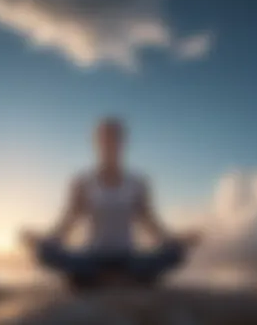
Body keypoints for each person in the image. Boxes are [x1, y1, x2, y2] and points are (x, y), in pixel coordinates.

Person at [22, 117, 201, 288]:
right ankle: (119, 279)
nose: (110, 143)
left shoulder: (138, 183)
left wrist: (177, 241)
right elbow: (67, 223)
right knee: (45, 253)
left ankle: (101, 280)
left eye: (115, 138)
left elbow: (151, 224)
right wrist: (44, 242)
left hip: (128, 258)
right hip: (92, 257)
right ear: (96, 143)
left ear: (123, 142)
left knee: (176, 254)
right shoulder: (82, 182)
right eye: (104, 138)